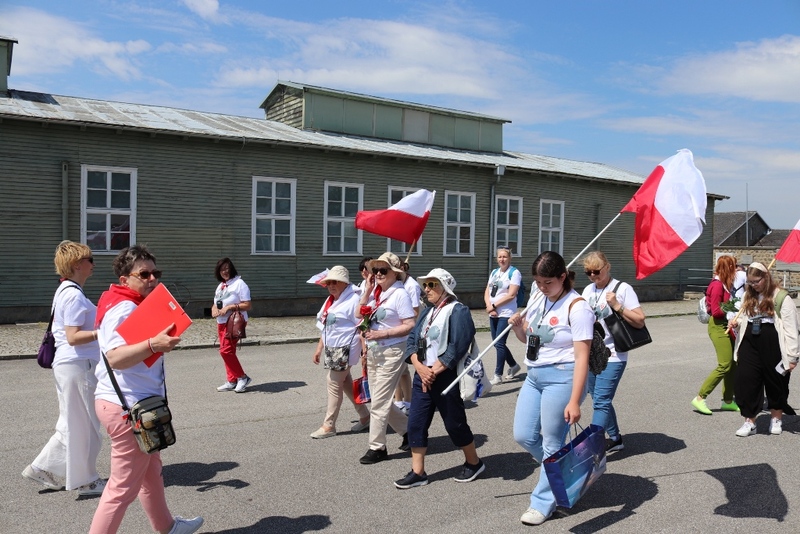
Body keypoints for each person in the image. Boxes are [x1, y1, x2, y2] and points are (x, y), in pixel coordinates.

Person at [90, 245, 202, 534]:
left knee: (151, 473)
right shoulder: (125, 306)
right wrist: (154, 344)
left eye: (156, 273)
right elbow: (115, 357)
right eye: (145, 274)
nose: (152, 279)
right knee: (121, 489)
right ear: (125, 279)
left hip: (133, 403)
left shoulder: (125, 301)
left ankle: (168, 528)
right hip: (128, 407)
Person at [509, 251, 592, 526]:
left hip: (563, 377)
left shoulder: (577, 307)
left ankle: (543, 502)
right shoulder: (538, 298)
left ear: (563, 277)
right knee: (523, 434)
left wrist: (575, 401)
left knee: (552, 442)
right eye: (538, 282)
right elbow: (530, 340)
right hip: (534, 375)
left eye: (548, 282)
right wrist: (519, 328)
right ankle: (560, 470)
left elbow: (583, 356)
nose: (542, 287)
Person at [22, 241, 105, 496]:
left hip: (72, 365)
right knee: (86, 425)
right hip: (77, 364)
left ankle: (42, 468)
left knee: (72, 422)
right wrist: (103, 332)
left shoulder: (67, 290)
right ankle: (86, 480)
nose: (93, 263)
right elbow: (72, 336)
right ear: (78, 264)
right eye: (90, 259)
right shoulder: (71, 294)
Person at [395, 268, 485, 489]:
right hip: (422, 375)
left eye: (432, 285)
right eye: (425, 285)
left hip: (446, 377)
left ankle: (474, 462)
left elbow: (459, 345)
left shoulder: (458, 310)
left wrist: (433, 371)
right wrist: (418, 366)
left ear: (444, 287)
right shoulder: (427, 312)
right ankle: (418, 472)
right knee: (416, 423)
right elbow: (412, 341)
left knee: (454, 423)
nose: (426, 289)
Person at [581, 251, 645, 452]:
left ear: (607, 267)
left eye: (596, 271)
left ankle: (593, 446)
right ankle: (616, 438)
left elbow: (640, 319)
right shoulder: (588, 290)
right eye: (588, 272)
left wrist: (617, 305)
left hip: (614, 353)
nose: (593, 276)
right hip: (592, 353)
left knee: (601, 400)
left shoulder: (622, 289)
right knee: (599, 398)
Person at [356, 252, 415, 464]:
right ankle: (409, 432)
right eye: (375, 270)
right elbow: (358, 314)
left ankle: (377, 447)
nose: (378, 274)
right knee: (381, 400)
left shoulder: (400, 295)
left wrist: (383, 334)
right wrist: (368, 291)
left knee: (379, 401)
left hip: (392, 351)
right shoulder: (376, 293)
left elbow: (410, 324)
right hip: (374, 350)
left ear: (394, 273)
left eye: (383, 270)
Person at [730, 262, 799, 437]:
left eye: (756, 281)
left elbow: (792, 329)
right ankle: (750, 421)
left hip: (773, 341)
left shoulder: (782, 297)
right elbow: (744, 319)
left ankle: (776, 418)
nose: (753, 285)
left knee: (776, 380)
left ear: (766, 277)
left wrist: (792, 357)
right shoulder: (748, 295)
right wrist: (736, 324)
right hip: (750, 341)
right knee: (746, 380)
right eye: (750, 282)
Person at [310, 265, 371, 438]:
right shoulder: (332, 300)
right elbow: (326, 326)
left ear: (345, 283)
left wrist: (364, 349)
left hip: (345, 349)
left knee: (333, 382)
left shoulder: (353, 300)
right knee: (345, 382)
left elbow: (362, 325)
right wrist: (319, 348)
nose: (331, 285)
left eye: (336, 282)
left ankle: (329, 425)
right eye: (329, 282)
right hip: (333, 348)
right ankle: (365, 416)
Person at [692, 255, 740, 415]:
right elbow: (717, 311)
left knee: (733, 363)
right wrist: (733, 308)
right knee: (724, 364)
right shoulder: (718, 286)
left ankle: (728, 400)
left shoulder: (724, 285)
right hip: (718, 326)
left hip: (724, 324)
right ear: (728, 269)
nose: (736, 270)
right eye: (734, 267)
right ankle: (700, 397)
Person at [212, 258, 252, 393]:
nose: (225, 271)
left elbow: (247, 305)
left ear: (232, 269)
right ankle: (232, 379)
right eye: (222, 269)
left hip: (234, 322)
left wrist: (229, 307)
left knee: (226, 351)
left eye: (227, 268)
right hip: (221, 322)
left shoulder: (239, 284)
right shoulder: (221, 285)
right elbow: (217, 301)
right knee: (229, 352)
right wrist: (213, 309)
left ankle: (242, 377)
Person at [485, 246, 522, 384]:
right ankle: (513, 365)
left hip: (506, 313)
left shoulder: (514, 273)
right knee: (496, 343)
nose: (502, 259)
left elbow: (511, 295)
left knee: (499, 343)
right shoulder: (495, 272)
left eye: (505, 257)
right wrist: (489, 307)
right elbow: (487, 290)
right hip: (493, 312)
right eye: (500, 257)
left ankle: (497, 375)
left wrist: (494, 306)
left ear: (510, 258)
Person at [393, 261, 421, 416]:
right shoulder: (395, 286)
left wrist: (402, 319)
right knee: (400, 370)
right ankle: (399, 400)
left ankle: (408, 401)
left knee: (403, 370)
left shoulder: (411, 286)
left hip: (407, 332)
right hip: (397, 331)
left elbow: (415, 311)